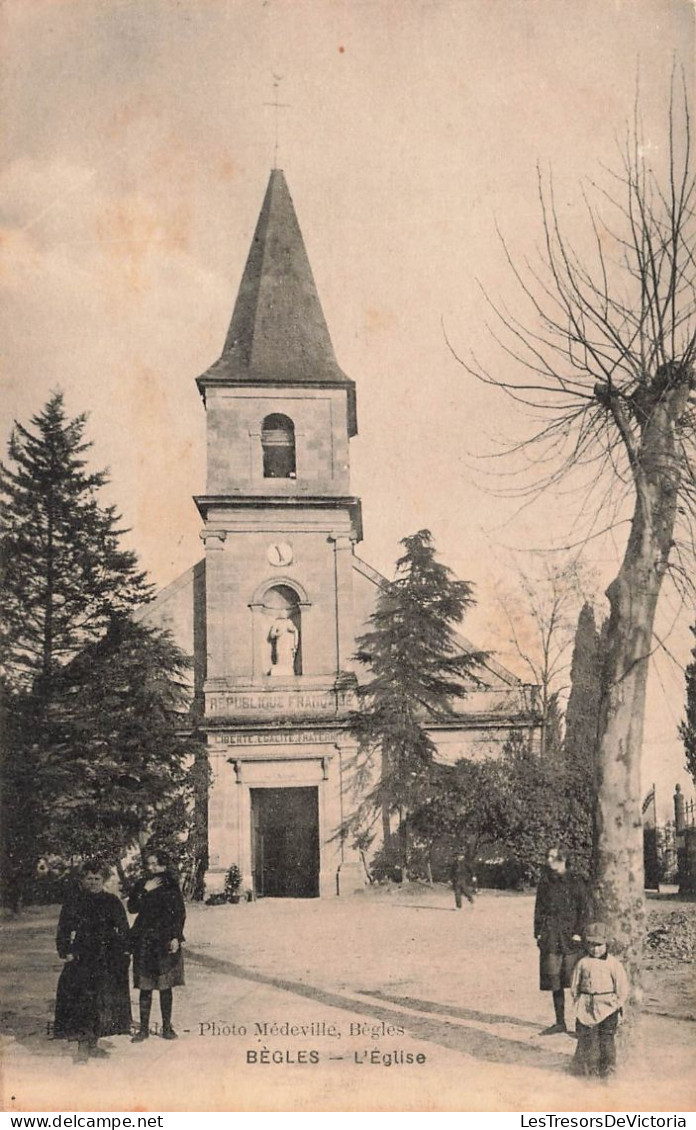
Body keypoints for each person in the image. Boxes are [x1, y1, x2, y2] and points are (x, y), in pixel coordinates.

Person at [53, 860, 132, 1063]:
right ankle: (82, 1048)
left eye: (97, 878)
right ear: (82, 880)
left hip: (107, 956)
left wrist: (125, 952)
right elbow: (63, 929)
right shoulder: (74, 901)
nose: (93, 882)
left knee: (102, 1001)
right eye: (89, 878)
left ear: (103, 880)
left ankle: (94, 1044)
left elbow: (123, 929)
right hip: (82, 956)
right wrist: (66, 950)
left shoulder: (112, 901)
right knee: (81, 1001)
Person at [128, 849, 186, 1042]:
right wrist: (146, 890)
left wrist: (176, 937)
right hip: (144, 940)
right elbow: (132, 907)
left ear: (163, 865)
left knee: (165, 986)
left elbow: (179, 913)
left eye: (155, 864)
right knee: (145, 986)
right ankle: (143, 1030)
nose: (152, 867)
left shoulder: (171, 885)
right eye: (149, 864)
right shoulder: (141, 884)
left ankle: (167, 1028)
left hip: (165, 940)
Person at [533, 844, 587, 1035]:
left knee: (575, 981)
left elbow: (584, 908)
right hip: (551, 936)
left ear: (562, 859)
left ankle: (582, 1025)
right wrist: (538, 931)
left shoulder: (576, 881)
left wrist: (579, 932)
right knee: (554, 980)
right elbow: (539, 908)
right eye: (547, 856)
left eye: (552, 857)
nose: (548, 860)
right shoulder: (545, 881)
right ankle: (560, 1022)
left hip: (571, 937)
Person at [570, 922, 629, 1079]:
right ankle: (590, 1071)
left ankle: (608, 1071)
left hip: (607, 1007)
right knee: (589, 1041)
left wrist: (615, 1004)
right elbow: (574, 985)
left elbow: (622, 987)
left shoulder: (613, 964)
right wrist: (579, 1002)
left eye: (599, 945)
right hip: (586, 1005)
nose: (595, 949)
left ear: (606, 944)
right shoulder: (582, 963)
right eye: (591, 945)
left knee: (607, 1040)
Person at [267, 611, 299, 676]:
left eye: (285, 613)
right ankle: (279, 665)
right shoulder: (277, 622)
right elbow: (272, 635)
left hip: (288, 641)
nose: (284, 614)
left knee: (287, 653)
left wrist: (292, 629)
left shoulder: (289, 621)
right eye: (282, 613)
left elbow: (294, 630)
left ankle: (288, 665)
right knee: (279, 653)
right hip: (280, 640)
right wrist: (278, 634)